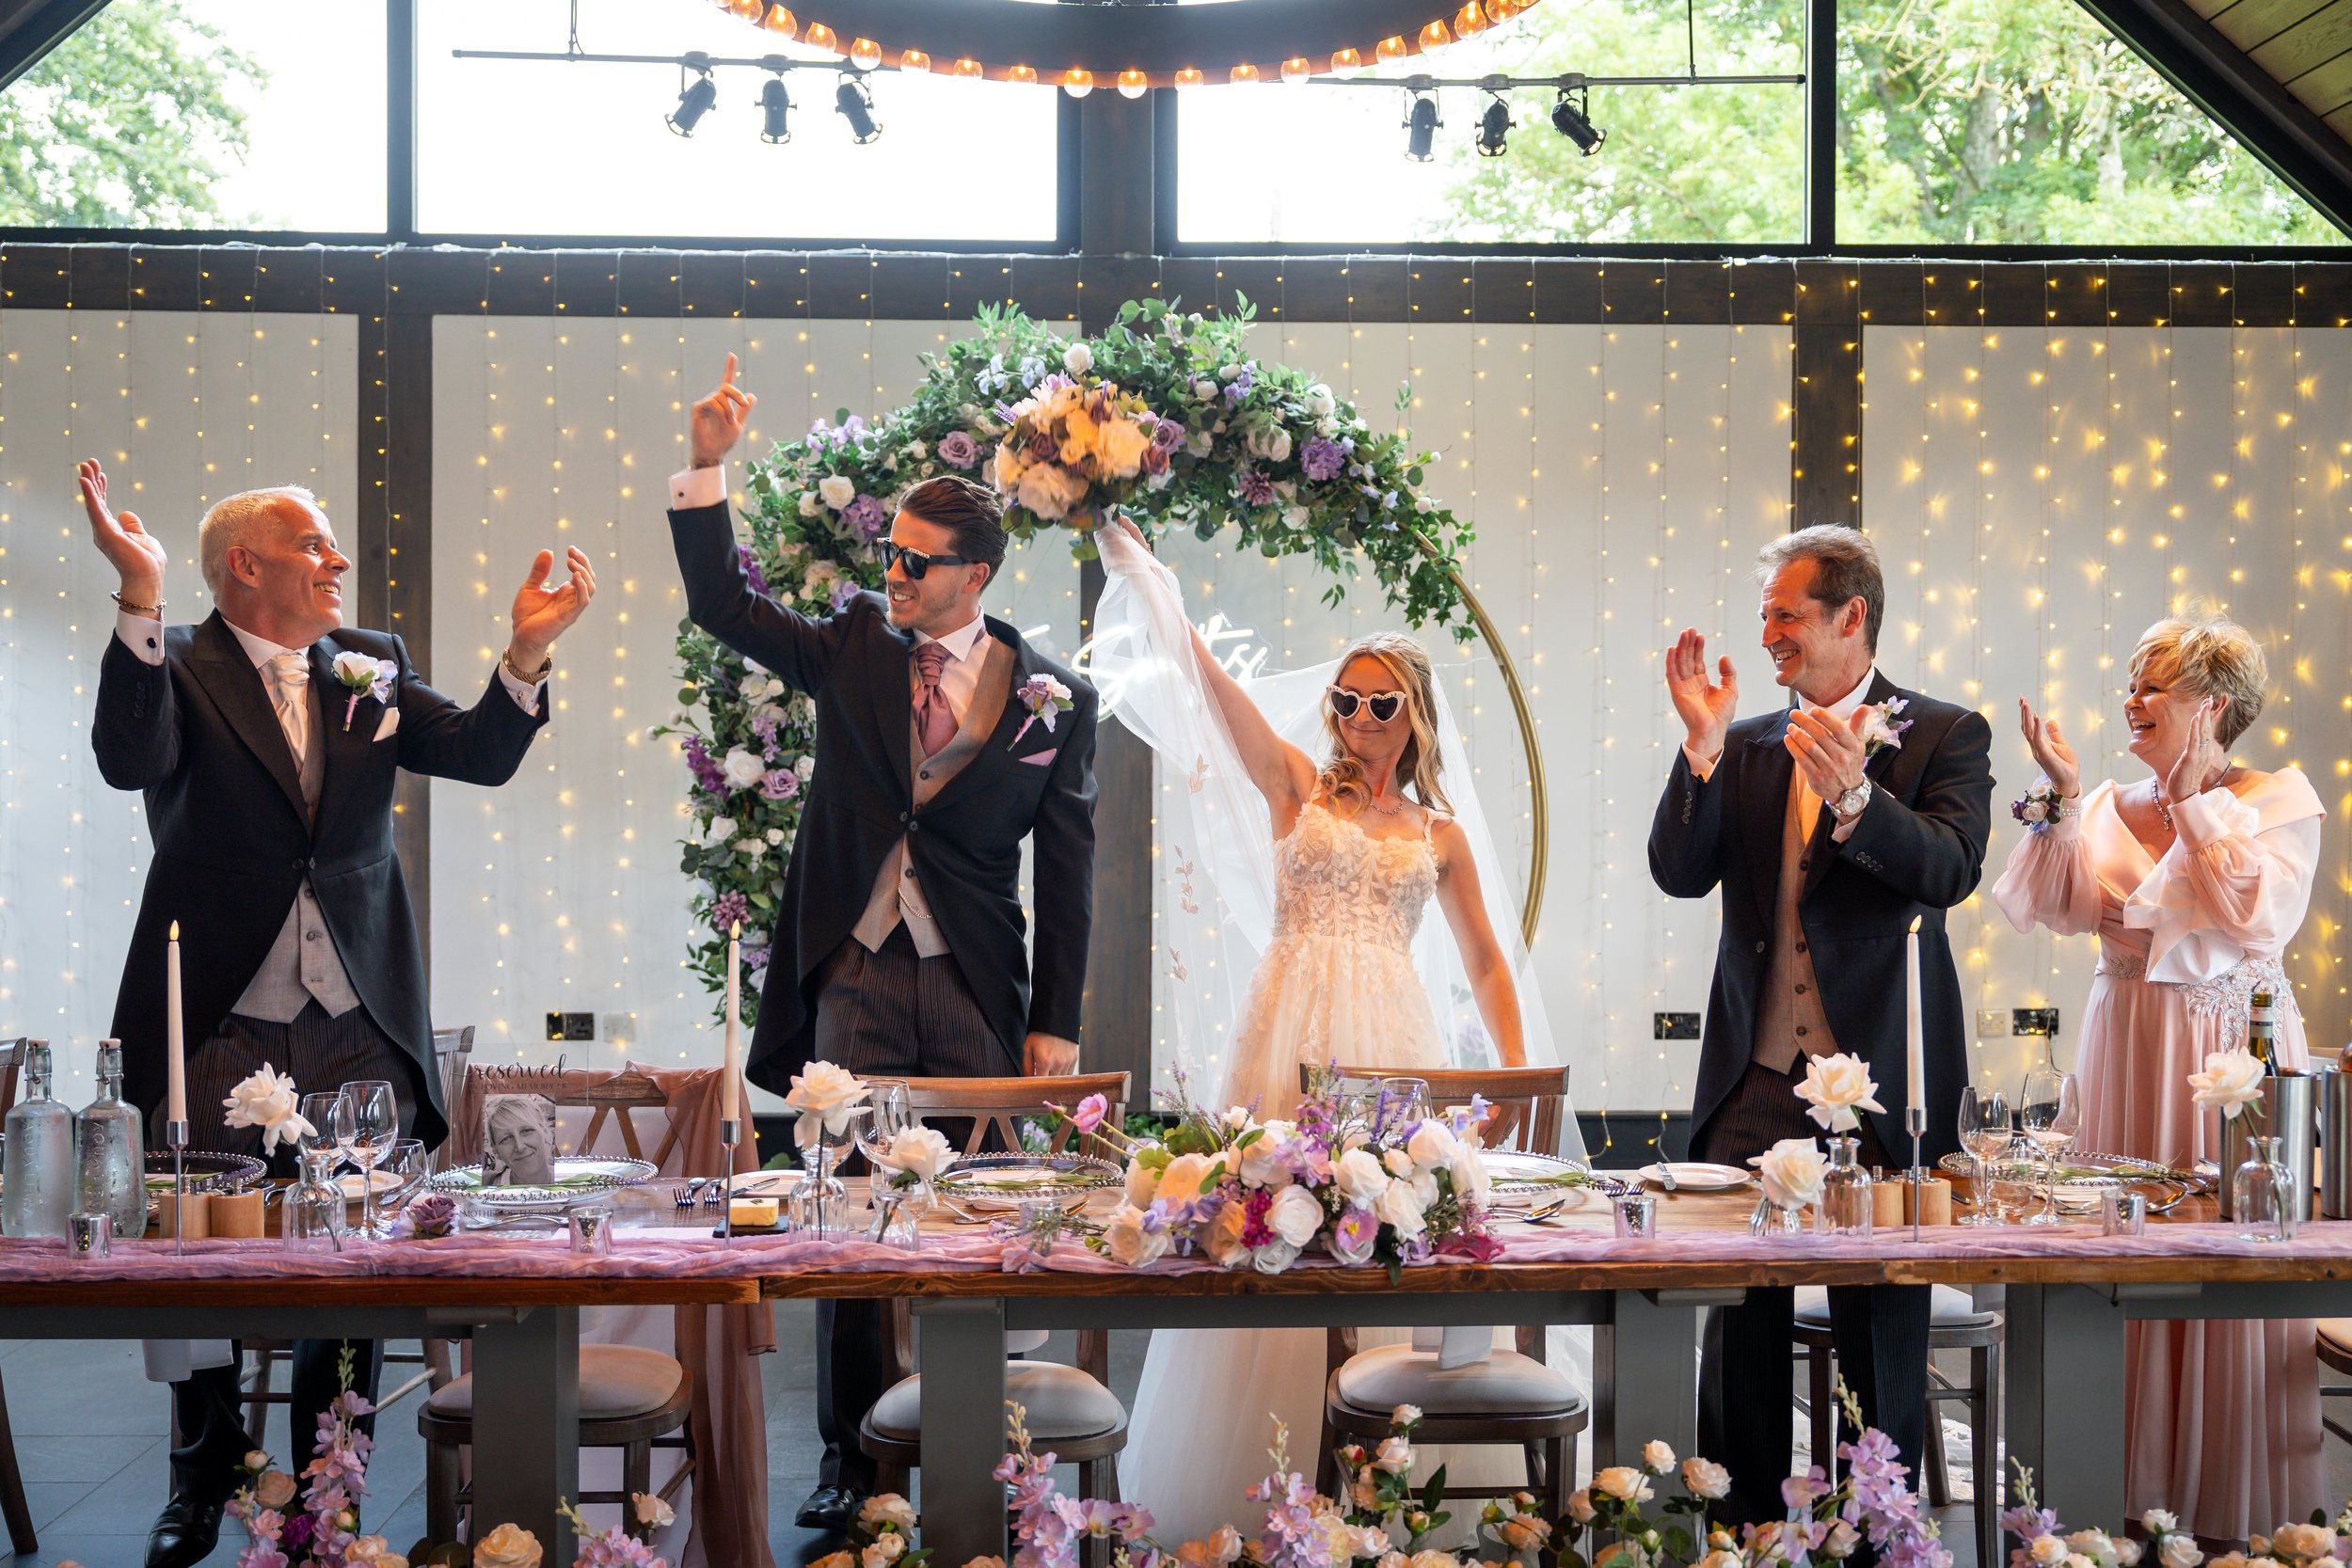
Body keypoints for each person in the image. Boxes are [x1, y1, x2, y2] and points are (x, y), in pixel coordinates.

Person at [82, 460, 595, 1568]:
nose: (337, 561)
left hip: (358, 1008)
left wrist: (525, 654)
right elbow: (129, 760)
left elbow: (478, 754)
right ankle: (206, 1474)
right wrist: (137, 595)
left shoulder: (370, 662)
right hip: (213, 1010)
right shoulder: (172, 661)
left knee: (349, 1259)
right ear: (244, 566)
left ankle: (330, 1481)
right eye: (313, 544)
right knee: (195, 1256)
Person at [666, 356, 1098, 1530]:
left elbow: (1067, 867)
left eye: (917, 561)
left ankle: (972, 1432)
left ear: (978, 574)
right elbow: (725, 607)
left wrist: (1054, 1013)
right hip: (852, 970)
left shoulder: (1053, 697)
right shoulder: (854, 643)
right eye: (890, 554)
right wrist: (706, 468)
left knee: (976, 1214)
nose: (893, 573)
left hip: (974, 977)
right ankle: (853, 1456)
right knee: (845, 1212)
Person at [1095, 515, 1575, 1538]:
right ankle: (1272, 1481)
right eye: (1345, 699)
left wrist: (1514, 1067)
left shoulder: (1437, 834)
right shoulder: (1297, 785)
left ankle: (1387, 1477)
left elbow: (1487, 958)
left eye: (1378, 701)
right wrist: (1156, 588)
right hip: (1287, 1027)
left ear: (1413, 715)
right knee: (1271, 1227)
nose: (1357, 713)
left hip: (1392, 1037)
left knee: (1382, 1229)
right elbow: (1215, 696)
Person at [1648, 523, 1992, 1526]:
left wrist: (1854, 791)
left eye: (1784, 614)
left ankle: (1872, 1532)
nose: (1767, 635)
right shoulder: (1747, 740)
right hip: (1751, 1081)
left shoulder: (1942, 733)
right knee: (1736, 1333)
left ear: (1852, 615)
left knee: (1878, 1329)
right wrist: (1701, 749)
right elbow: (1678, 871)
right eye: (1764, 615)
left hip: (1881, 1084)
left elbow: (1948, 870)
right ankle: (1743, 1527)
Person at [1993, 610, 2326, 1539]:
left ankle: (2230, 1524)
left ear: (2209, 703)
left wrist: (2190, 800)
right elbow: (2053, 905)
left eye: (2151, 684)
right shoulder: (2102, 800)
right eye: (2129, 682)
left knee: (2224, 1267)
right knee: (2115, 1259)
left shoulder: (2277, 800)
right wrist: (2059, 792)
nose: (2129, 699)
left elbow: (2256, 919)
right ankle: (2111, 1510)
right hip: (2126, 1045)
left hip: (2233, 1055)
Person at [483, 1093, 559, 1185]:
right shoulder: (485, 1185)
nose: (520, 1147)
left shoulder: (572, 1179)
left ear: (544, 1131)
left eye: (526, 1131)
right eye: (506, 1139)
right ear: (496, 1151)